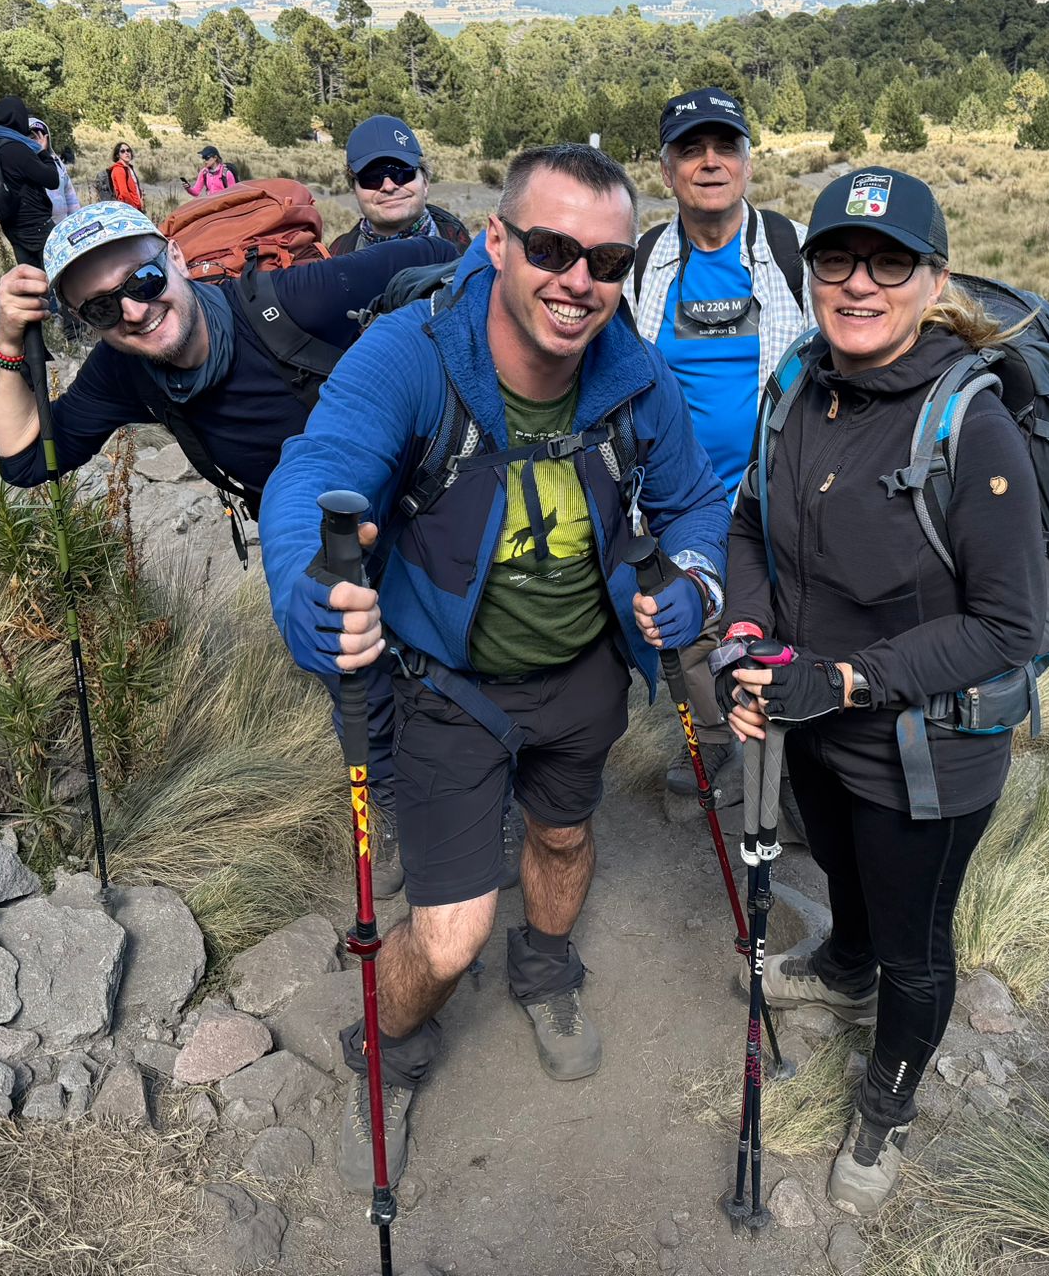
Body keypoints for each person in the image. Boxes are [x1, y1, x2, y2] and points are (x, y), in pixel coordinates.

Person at [261, 143, 727, 1193]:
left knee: (562, 835)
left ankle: (548, 969)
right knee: (450, 934)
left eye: (606, 262)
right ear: (497, 241)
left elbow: (695, 501)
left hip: (584, 671)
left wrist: (695, 583)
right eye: (552, 248)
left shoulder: (633, 374)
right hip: (446, 686)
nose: (578, 281)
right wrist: (308, 592)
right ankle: (389, 1048)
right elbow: (317, 471)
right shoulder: (412, 357)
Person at [713, 167, 1044, 1219]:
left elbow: (1010, 625)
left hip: (924, 749)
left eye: (890, 262)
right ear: (808, 273)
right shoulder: (795, 386)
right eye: (837, 259)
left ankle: (887, 1102)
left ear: (933, 280)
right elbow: (748, 524)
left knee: (916, 941)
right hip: (813, 719)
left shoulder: (971, 429)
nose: (860, 283)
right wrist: (748, 638)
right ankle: (841, 964)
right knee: (843, 871)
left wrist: (847, 679)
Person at [0, 199, 454, 862]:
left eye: (144, 280)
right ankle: (390, 808)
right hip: (313, 543)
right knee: (357, 681)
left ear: (177, 259)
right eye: (100, 309)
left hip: (415, 506)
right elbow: (28, 461)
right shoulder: (125, 369)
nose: (133, 311)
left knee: (445, 658)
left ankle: (476, 800)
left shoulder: (293, 302)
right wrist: (10, 345)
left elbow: (437, 256)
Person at [630, 86, 807, 817]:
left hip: (782, 491)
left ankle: (793, 771)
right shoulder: (642, 263)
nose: (710, 162)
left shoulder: (796, 253)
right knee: (687, 630)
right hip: (677, 499)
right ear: (666, 170)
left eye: (725, 146)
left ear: (747, 162)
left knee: (791, 626)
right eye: (691, 150)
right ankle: (710, 739)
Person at [327, 113, 471, 256]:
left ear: (425, 181)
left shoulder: (470, 256)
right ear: (354, 190)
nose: (389, 187)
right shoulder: (335, 258)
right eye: (372, 178)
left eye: (402, 173)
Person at [0, 97, 61, 264]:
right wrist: (42, 151)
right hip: (35, 224)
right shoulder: (16, 149)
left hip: (11, 225)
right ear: (16, 118)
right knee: (58, 270)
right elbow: (52, 180)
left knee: (29, 275)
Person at [34, 119, 80, 219]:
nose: (38, 141)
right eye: (33, 137)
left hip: (63, 222)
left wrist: (77, 219)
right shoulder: (23, 165)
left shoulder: (56, 162)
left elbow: (70, 195)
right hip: (40, 224)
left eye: (42, 136)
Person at [108, 142, 145, 210]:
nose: (126, 153)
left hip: (136, 207)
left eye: (128, 150)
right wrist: (133, 208)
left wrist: (141, 199)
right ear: (117, 155)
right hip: (128, 209)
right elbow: (124, 193)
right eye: (122, 151)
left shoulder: (128, 168)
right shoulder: (119, 170)